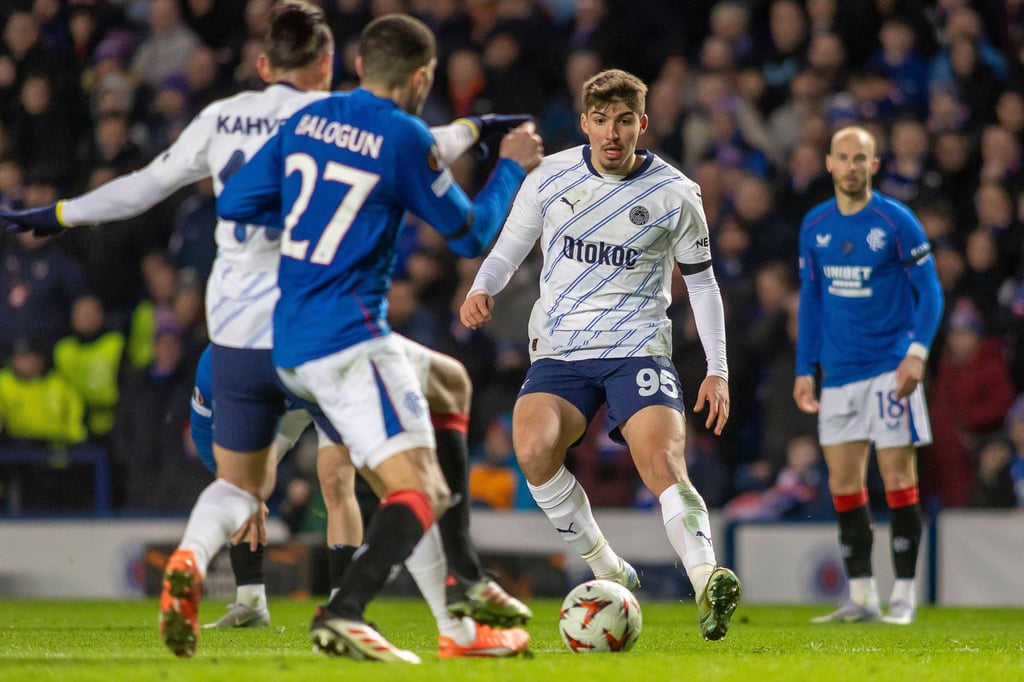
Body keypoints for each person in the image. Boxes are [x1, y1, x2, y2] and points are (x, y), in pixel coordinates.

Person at [0, 1, 532, 660]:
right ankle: (440, 621)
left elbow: (145, 186)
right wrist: (483, 139)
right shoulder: (334, 114)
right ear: (334, 63)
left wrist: (61, 212)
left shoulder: (224, 118)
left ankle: (196, 561)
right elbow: (414, 152)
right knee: (389, 481)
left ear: (261, 63)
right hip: (324, 321)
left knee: (241, 484)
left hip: (236, 340)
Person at [217, 13, 543, 664]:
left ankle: (468, 579)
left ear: (360, 65)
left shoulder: (308, 119)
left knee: (451, 379)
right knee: (424, 489)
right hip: (347, 341)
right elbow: (473, 234)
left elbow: (236, 204)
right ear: (422, 77)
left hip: (292, 337)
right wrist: (511, 169)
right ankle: (344, 610)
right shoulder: (403, 134)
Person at [459, 68, 742, 642]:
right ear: (585, 121)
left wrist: (717, 370)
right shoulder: (549, 175)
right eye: (600, 120)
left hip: (637, 349)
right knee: (533, 448)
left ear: (642, 124)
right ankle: (604, 564)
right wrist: (480, 287)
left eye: (623, 122)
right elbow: (509, 248)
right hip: (560, 352)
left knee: (662, 462)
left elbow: (704, 286)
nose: (611, 133)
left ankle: (707, 579)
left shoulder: (676, 193)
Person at [189, 340, 533, 633]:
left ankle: (347, 599)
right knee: (239, 485)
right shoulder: (222, 364)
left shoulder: (261, 349)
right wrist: (243, 487)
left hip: (322, 369)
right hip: (309, 372)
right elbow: (211, 440)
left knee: (340, 477)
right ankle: (252, 601)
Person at [793, 125, 944, 626]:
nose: (852, 166)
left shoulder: (897, 221)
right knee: (842, 483)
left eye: (862, 158)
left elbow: (932, 294)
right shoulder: (814, 225)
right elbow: (812, 301)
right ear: (830, 163)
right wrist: (804, 369)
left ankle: (903, 594)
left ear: (874, 166)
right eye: (843, 157)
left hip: (888, 370)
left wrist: (916, 353)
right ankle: (862, 595)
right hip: (837, 377)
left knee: (898, 477)